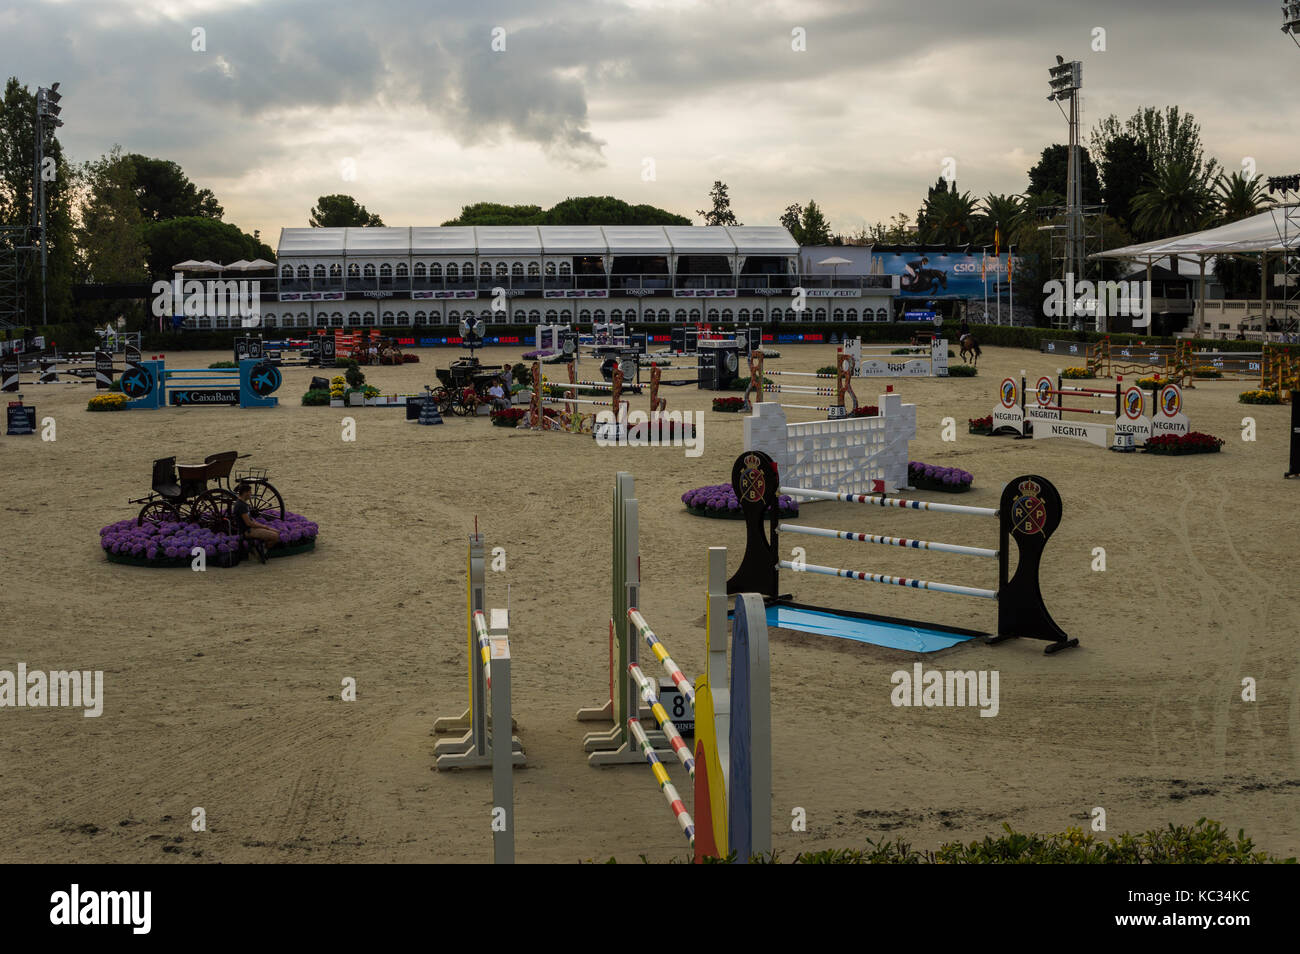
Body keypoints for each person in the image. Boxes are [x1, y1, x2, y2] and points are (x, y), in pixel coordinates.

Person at [234, 483, 280, 564]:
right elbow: (249, 523)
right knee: (275, 536)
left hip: (251, 528)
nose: (251, 494)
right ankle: (262, 551)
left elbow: (251, 520)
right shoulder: (241, 506)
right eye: (250, 492)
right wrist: (264, 527)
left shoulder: (243, 504)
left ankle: (260, 549)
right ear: (245, 493)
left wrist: (264, 527)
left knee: (277, 532)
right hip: (247, 531)